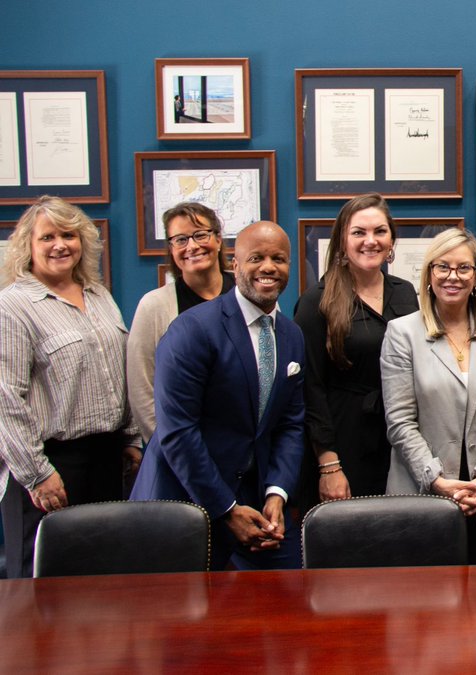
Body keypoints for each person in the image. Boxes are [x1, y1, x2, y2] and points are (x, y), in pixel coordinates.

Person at [130, 221, 304, 570]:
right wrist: (226, 508)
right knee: (179, 620)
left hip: (256, 507)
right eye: (256, 257)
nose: (268, 267)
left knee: (275, 610)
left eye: (279, 259)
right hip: (183, 502)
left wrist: (277, 492)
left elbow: (291, 423)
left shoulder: (291, 334)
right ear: (234, 264)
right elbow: (178, 431)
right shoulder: (192, 329)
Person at [0, 196, 141, 578]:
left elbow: (118, 369)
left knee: (103, 576)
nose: (60, 244)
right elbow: (6, 399)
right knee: (43, 584)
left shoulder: (98, 295)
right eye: (48, 237)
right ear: (28, 246)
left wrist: (130, 438)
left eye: (69, 234)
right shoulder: (13, 306)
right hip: (51, 462)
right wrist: (36, 473)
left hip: (105, 457)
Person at [381, 229, 476, 564]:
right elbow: (399, 421)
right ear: (429, 273)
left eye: (463, 268)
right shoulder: (402, 333)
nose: (452, 277)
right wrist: (437, 480)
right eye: (442, 267)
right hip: (420, 492)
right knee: (422, 608)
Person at [293, 194, 418, 512]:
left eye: (380, 231)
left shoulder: (405, 293)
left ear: (391, 240)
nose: (370, 241)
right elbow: (311, 390)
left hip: (398, 439)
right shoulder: (315, 303)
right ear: (342, 242)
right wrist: (329, 465)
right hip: (342, 443)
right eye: (359, 232)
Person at [127, 202, 234, 444]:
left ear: (218, 239)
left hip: (245, 448)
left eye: (200, 235)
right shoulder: (154, 306)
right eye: (181, 239)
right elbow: (141, 387)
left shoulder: (249, 293)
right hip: (182, 448)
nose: (192, 246)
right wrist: (169, 449)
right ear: (171, 249)